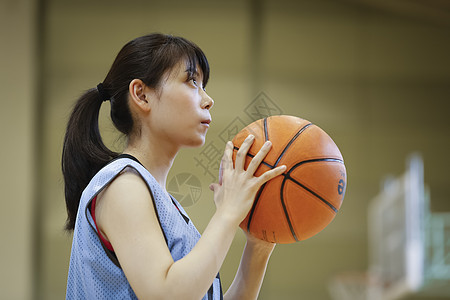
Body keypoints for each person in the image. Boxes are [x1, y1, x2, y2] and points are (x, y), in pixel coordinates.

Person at [62, 33, 286, 300]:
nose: (207, 99)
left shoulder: (163, 201)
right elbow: (166, 295)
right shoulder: (123, 187)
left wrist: (257, 247)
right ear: (142, 95)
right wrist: (227, 213)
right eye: (192, 81)